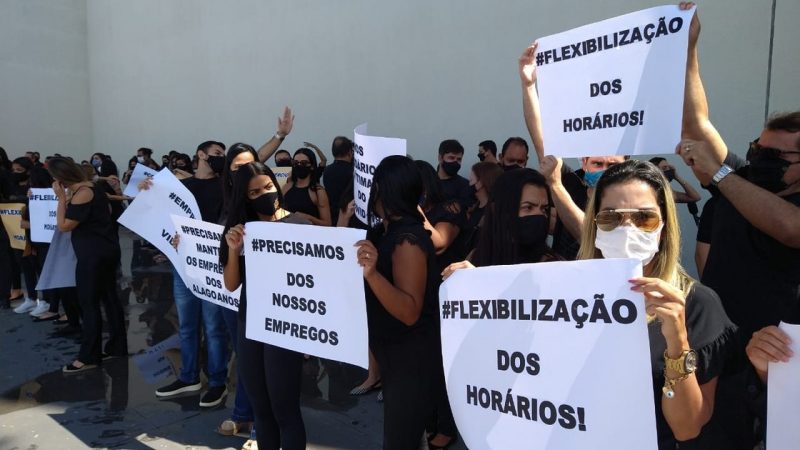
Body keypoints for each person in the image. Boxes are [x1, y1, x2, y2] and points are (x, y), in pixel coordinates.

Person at [576, 159, 735, 448]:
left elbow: (686, 428)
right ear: (595, 226)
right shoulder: (571, 292)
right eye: (611, 217)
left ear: (663, 226)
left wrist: (677, 339)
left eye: (643, 218)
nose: (627, 229)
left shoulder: (697, 304)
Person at [221, 161, 309, 450]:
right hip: (251, 322)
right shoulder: (243, 229)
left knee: (285, 411)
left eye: (268, 187)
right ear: (245, 197)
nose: (264, 194)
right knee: (262, 411)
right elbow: (231, 285)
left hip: (285, 326)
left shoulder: (299, 224)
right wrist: (234, 250)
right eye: (255, 191)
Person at [355, 155, 439, 449]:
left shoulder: (407, 240)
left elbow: (409, 311)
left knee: (400, 441)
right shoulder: (387, 231)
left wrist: (372, 274)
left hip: (410, 362)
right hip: (395, 358)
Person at [518, 42, 625, 260]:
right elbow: (542, 142)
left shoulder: (630, 199)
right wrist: (528, 86)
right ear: (584, 162)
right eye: (597, 164)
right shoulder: (571, 182)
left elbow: (594, 241)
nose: (604, 171)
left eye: (612, 165)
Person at [153, 140, 230, 409]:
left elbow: (251, 160)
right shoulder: (183, 188)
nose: (221, 158)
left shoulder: (225, 185)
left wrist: (278, 137)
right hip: (183, 263)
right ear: (201, 154)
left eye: (224, 155)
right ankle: (189, 377)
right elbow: (165, 216)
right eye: (217, 153)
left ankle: (218, 381)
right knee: (187, 325)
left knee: (213, 327)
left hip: (211, 264)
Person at [49, 157, 127, 373]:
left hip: (93, 256)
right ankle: (117, 346)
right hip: (105, 250)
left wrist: (61, 200)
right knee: (109, 299)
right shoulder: (91, 187)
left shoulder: (82, 193)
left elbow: (65, 225)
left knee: (89, 302)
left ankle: (89, 355)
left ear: (60, 178)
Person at [443, 168, 557, 277]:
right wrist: (465, 279)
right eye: (528, 207)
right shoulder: (477, 256)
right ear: (501, 211)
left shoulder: (552, 266)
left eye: (544, 209)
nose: (540, 215)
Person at [282, 147, 331, 226]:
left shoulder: (318, 191)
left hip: (311, 235)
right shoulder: (287, 187)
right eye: (295, 162)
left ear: (311, 166)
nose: (299, 165)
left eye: (304, 163)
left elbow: (327, 223)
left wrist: (308, 218)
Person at [322, 136, 354, 226]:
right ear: (349, 152)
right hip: (349, 217)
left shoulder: (327, 170)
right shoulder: (353, 172)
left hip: (331, 215)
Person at [436, 139, 472, 209]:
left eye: (459, 159)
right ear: (440, 158)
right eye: (451, 158)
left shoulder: (465, 186)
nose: (455, 162)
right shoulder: (428, 182)